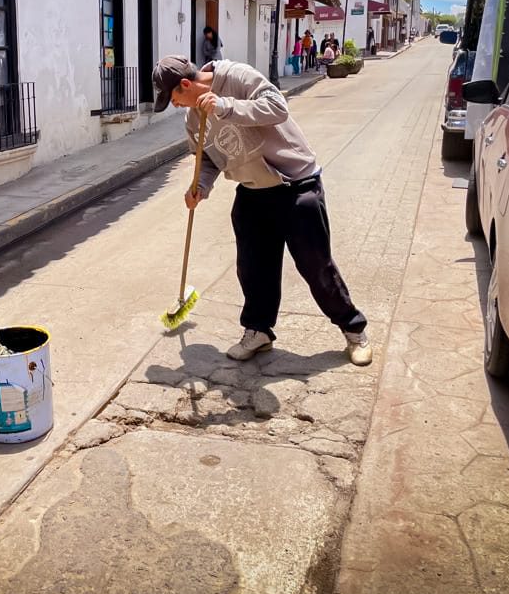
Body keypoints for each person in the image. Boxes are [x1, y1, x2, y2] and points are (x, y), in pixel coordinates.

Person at [150, 55, 371, 366]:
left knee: (315, 265)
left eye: (174, 98)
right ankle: (258, 330)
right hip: (253, 191)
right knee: (253, 268)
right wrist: (199, 186)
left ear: (186, 85)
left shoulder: (238, 77)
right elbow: (208, 160)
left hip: (296, 184)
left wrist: (227, 106)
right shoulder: (192, 120)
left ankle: (353, 328)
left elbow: (278, 108)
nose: (175, 106)